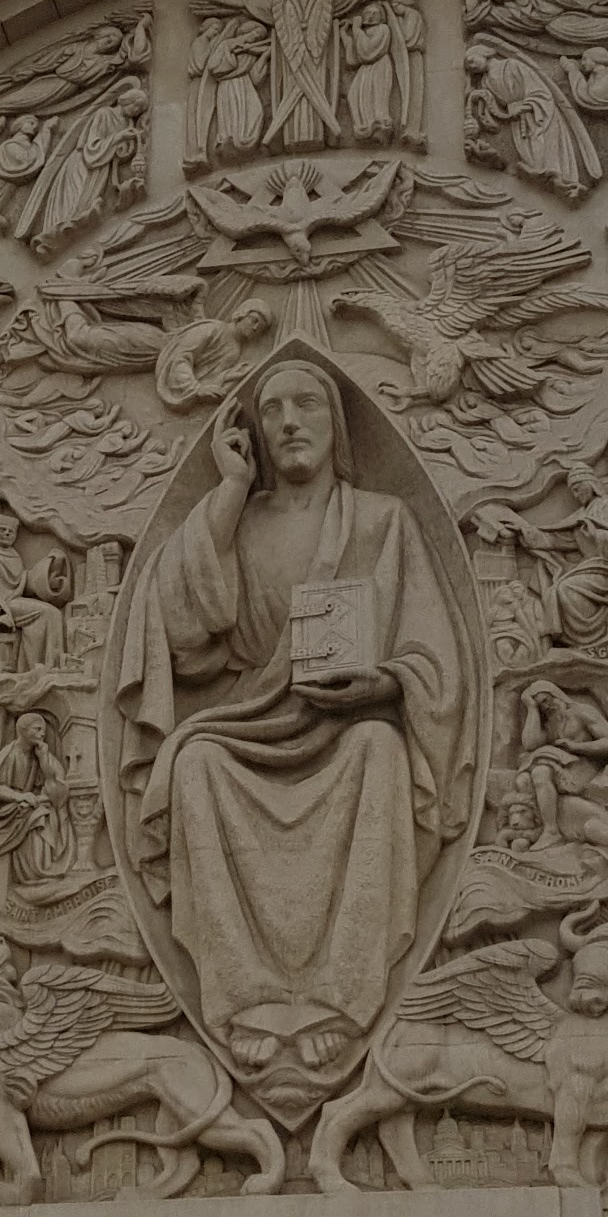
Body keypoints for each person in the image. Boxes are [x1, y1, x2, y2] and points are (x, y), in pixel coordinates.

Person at [112, 357, 470, 1104]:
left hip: (347, 727)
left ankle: (339, 998)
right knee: (195, 762)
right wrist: (229, 490)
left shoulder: (382, 520)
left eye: (306, 404)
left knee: (380, 749)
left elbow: (435, 650)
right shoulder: (238, 520)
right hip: (252, 722)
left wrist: (385, 684)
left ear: (335, 424)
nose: (288, 422)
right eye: (271, 410)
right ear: (253, 432)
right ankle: (245, 998)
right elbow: (179, 627)